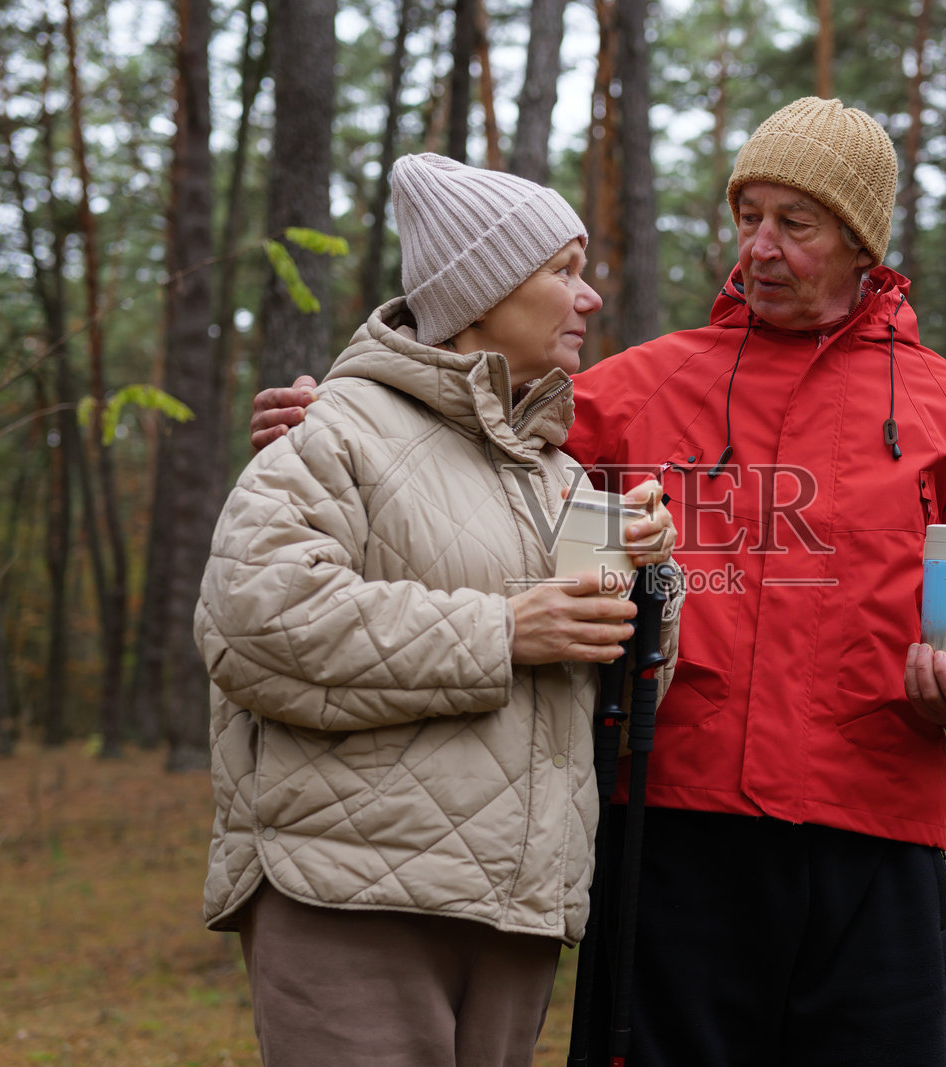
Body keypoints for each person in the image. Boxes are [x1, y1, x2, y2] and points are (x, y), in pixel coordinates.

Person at [253, 99, 946, 1066]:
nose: (762, 248)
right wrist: (338, 414)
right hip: (672, 831)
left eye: (797, 223)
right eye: (750, 216)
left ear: (860, 241)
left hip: (875, 833)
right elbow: (466, 433)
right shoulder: (635, 387)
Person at [197, 153, 678, 1067]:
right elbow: (257, 620)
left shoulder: (560, 475)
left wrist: (652, 585)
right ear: (483, 293)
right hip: (351, 896)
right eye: (563, 272)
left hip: (515, 908)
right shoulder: (336, 431)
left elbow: (615, 689)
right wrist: (502, 630)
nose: (590, 300)